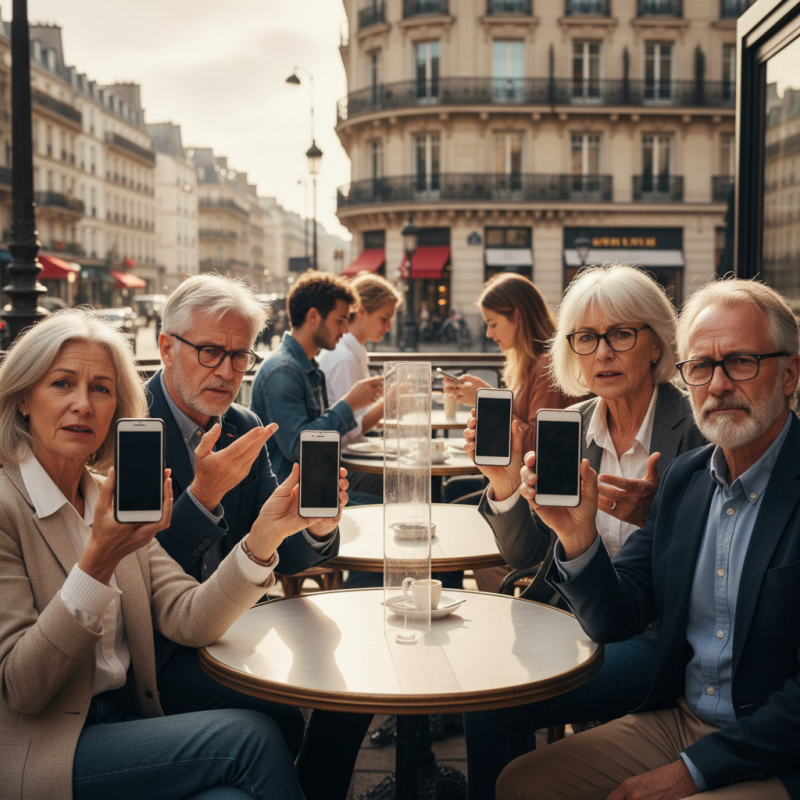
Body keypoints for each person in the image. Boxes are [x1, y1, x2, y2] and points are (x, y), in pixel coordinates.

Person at [0, 309, 350, 798]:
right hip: (45, 747)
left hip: (125, 722)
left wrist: (264, 537)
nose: (82, 404)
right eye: (62, 383)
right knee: (253, 737)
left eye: (101, 389)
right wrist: (98, 562)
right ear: (21, 398)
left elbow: (189, 617)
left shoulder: (109, 496)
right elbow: (24, 688)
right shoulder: (8, 507)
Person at [497, 277, 800, 800]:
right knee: (520, 784)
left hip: (777, 744)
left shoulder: (680, 456)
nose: (720, 383)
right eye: (701, 366)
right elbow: (618, 616)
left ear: (790, 373)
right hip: (682, 715)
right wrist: (578, 538)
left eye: (742, 362)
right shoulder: (686, 478)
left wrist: (691, 771)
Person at [464, 264, 707, 799]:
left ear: (656, 344)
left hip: (657, 640)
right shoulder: (575, 427)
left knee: (494, 704)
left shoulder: (697, 427)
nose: (602, 353)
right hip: (576, 619)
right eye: (586, 338)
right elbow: (531, 558)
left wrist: (659, 520)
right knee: (475, 682)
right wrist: (504, 484)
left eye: (621, 334)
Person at [149, 273, 367, 800]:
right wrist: (202, 498)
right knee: (280, 718)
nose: (227, 371)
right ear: (165, 347)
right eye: (209, 352)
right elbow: (134, 569)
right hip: (159, 646)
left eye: (239, 355)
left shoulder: (243, 422)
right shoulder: (127, 424)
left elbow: (288, 558)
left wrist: (313, 527)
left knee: (354, 693)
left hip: (241, 622)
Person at [442, 272, 573, 592]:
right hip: (529, 478)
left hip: (543, 486)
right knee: (453, 491)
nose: (488, 333)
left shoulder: (546, 366)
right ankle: (455, 589)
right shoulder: (531, 361)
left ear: (517, 316)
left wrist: (488, 402)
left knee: (454, 511)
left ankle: (480, 591)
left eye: (493, 323)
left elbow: (539, 442)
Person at [251, 270, 384, 498]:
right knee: (390, 501)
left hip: (316, 485)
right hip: (295, 500)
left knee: (396, 481)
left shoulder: (307, 367)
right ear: (313, 316)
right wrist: (349, 403)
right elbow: (299, 448)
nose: (345, 329)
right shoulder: (283, 370)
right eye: (340, 320)